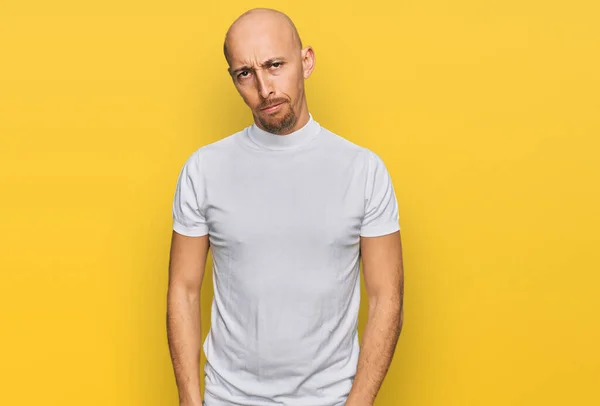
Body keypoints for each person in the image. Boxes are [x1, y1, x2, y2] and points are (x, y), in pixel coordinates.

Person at [167, 7, 404, 406]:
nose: (264, 87)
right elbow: (183, 291)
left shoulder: (362, 170)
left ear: (306, 62)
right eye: (245, 73)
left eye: (275, 65)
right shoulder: (204, 169)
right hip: (229, 398)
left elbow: (387, 298)